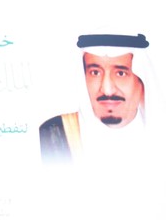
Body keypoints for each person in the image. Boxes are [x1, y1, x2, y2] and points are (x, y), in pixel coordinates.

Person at [39, 33, 157, 165]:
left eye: (121, 73)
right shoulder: (57, 132)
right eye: (95, 73)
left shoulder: (159, 135)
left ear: (142, 81)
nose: (107, 89)